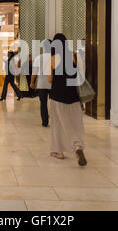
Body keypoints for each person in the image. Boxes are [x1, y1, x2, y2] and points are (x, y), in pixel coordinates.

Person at [48, 33, 87, 167]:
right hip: (73, 97)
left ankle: (58, 151)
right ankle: (77, 147)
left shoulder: (52, 59)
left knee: (58, 124)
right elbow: (79, 75)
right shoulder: (74, 56)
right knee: (75, 124)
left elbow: (50, 79)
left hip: (57, 96)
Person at [30, 40, 52, 127]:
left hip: (42, 83)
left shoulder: (39, 57)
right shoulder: (55, 57)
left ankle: (45, 122)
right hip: (53, 84)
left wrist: (32, 82)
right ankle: (56, 121)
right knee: (55, 103)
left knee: (43, 103)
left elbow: (34, 72)